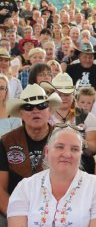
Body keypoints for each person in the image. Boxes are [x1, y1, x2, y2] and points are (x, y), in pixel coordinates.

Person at [7, 125, 96, 226]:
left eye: (74, 149)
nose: (67, 154)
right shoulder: (25, 187)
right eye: (60, 147)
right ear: (47, 151)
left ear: (81, 154)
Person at [0, 84, 61, 223]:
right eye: (28, 107)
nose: (35, 111)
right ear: (20, 113)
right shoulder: (6, 142)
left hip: (57, 210)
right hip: (15, 208)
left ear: (50, 110)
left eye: (41, 106)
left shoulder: (63, 140)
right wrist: (17, 217)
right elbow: (0, 190)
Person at [40, 73, 96, 174]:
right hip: (48, 168)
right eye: (59, 94)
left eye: (67, 94)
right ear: (52, 94)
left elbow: (93, 149)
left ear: (73, 95)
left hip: (81, 169)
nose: (64, 97)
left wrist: (79, 140)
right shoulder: (43, 115)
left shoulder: (87, 116)